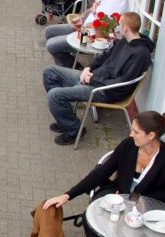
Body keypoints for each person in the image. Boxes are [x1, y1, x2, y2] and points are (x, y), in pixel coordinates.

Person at [43, 11, 153, 145]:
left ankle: (73, 130)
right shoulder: (125, 40)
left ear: (125, 28)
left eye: (119, 25)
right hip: (95, 78)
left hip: (105, 91)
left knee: (55, 95)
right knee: (49, 72)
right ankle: (65, 118)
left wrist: (92, 79)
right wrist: (88, 68)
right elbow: (105, 55)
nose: (117, 28)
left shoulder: (140, 54)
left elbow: (122, 83)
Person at [45, 0, 129, 67]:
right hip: (84, 28)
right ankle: (71, 62)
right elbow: (93, 8)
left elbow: (104, 26)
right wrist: (81, 18)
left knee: (51, 45)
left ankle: (72, 69)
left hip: (94, 38)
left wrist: (83, 27)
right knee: (49, 32)